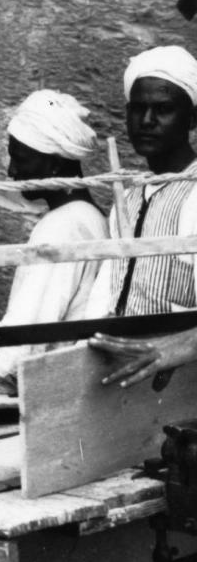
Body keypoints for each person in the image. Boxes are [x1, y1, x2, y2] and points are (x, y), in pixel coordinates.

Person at [0, 90, 106, 394]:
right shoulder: (88, 216)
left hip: (54, 390)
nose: (11, 172)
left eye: (20, 159)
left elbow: (24, 342)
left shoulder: (64, 226)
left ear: (56, 166)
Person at [88, 45, 197, 386]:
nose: (147, 121)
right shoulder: (129, 197)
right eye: (138, 109)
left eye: (163, 109)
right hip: (124, 383)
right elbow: (105, 295)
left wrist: (176, 347)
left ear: (193, 118)